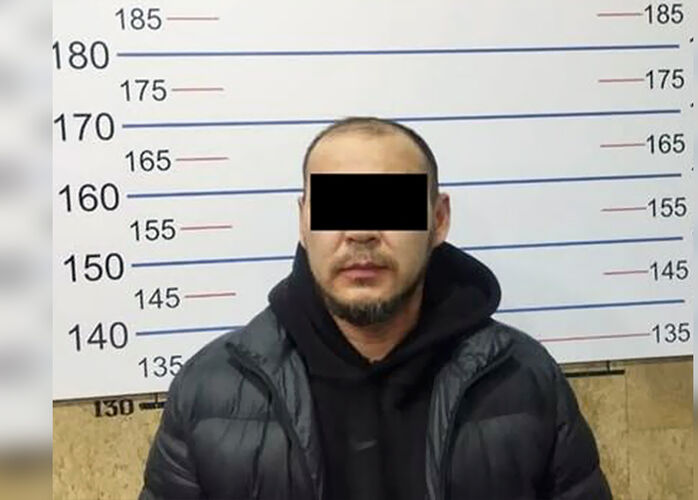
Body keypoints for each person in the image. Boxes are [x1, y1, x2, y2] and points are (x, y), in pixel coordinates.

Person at [139, 117, 612, 500]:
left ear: (438, 219)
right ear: (303, 222)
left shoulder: (524, 380)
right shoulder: (210, 391)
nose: (361, 232)